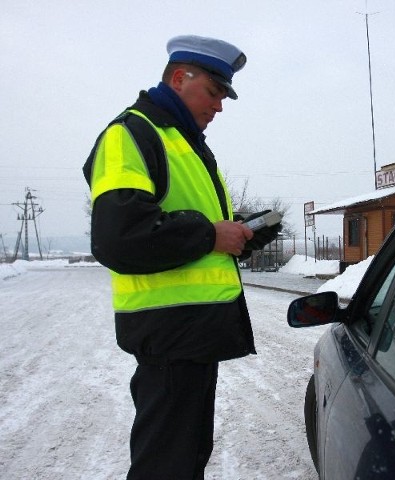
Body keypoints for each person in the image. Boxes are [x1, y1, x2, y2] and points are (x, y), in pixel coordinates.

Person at [83, 35, 281, 479]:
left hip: (189, 333)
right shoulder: (131, 134)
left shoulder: (185, 143)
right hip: (169, 331)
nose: (219, 107)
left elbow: (188, 232)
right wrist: (211, 234)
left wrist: (239, 236)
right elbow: (119, 237)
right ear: (178, 78)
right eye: (213, 92)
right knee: (167, 464)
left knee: (184, 456)